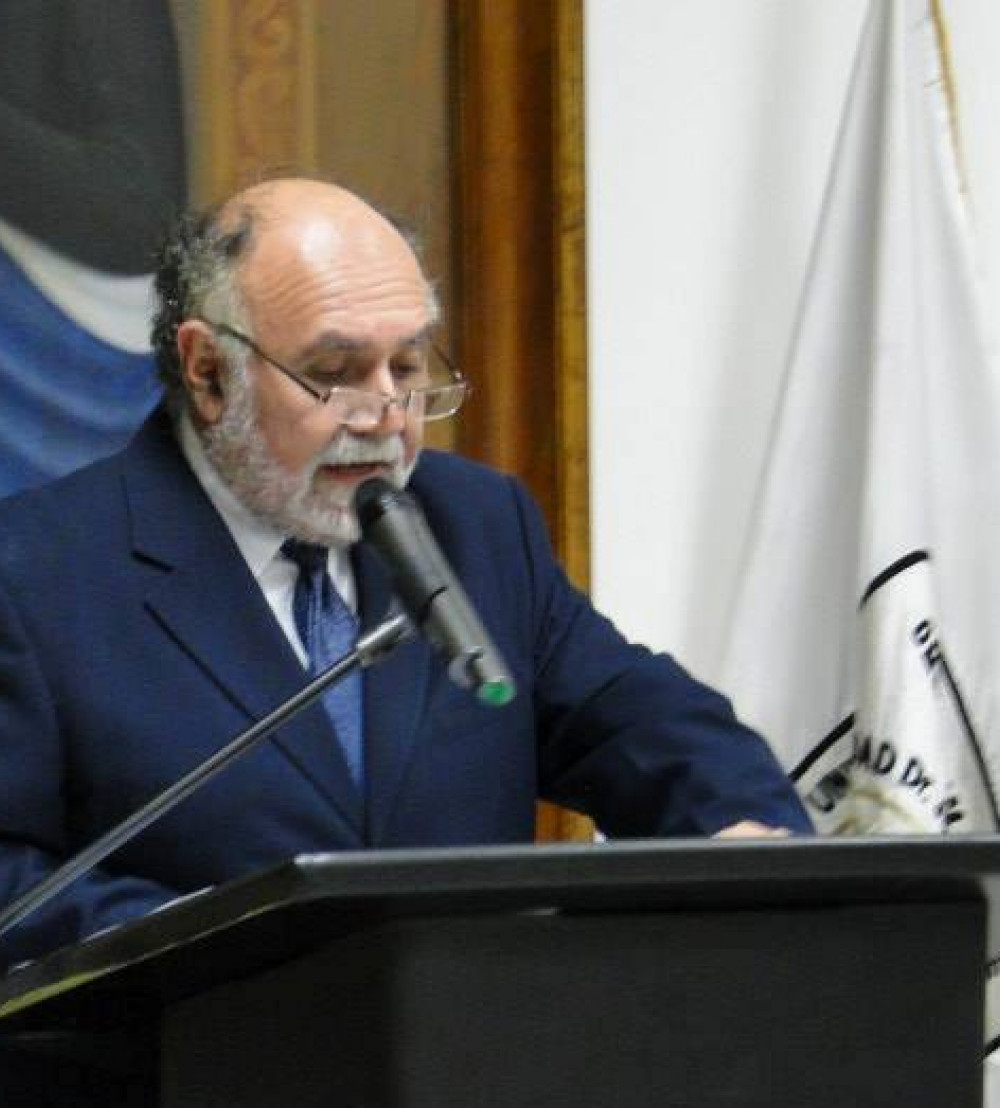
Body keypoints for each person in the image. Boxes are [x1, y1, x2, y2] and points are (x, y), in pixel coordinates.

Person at [0, 178, 810, 971]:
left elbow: (636, 721)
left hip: (466, 1058)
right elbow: (11, 884)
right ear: (210, 372)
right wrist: (203, 947)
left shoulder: (476, 525)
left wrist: (738, 834)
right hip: (182, 1064)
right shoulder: (37, 573)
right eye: (339, 370)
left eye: (410, 366)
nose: (387, 414)